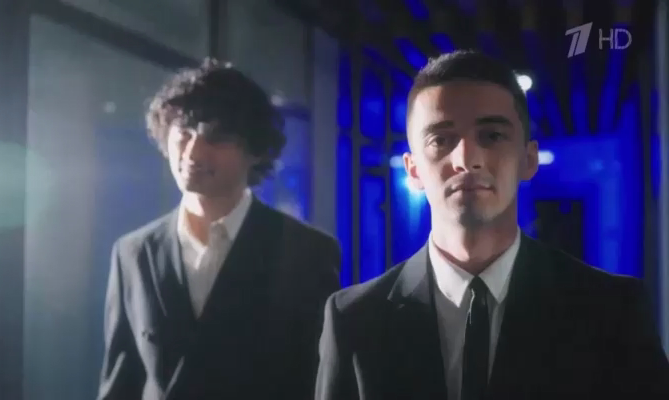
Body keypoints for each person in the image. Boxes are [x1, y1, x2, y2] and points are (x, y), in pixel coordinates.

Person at [315, 50, 669, 400]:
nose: (466, 159)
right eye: (441, 139)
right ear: (414, 169)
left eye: (492, 136)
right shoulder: (354, 319)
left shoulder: (611, 311)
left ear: (528, 159)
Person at [97, 58, 341, 400]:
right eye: (184, 133)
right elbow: (120, 384)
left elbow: (321, 382)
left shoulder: (307, 252)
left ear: (254, 150)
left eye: (216, 137)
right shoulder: (134, 252)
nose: (193, 152)